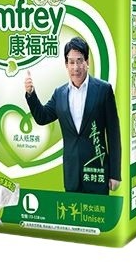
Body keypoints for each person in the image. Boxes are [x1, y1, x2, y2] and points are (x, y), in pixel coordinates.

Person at [24, 36, 121, 195]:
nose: (76, 67)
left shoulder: (103, 90)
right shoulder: (60, 94)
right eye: (71, 62)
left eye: (80, 61)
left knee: (97, 210)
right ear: (66, 65)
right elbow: (42, 117)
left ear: (87, 62)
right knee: (72, 211)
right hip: (71, 174)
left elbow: (113, 134)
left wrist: (115, 174)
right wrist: (31, 94)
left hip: (96, 171)